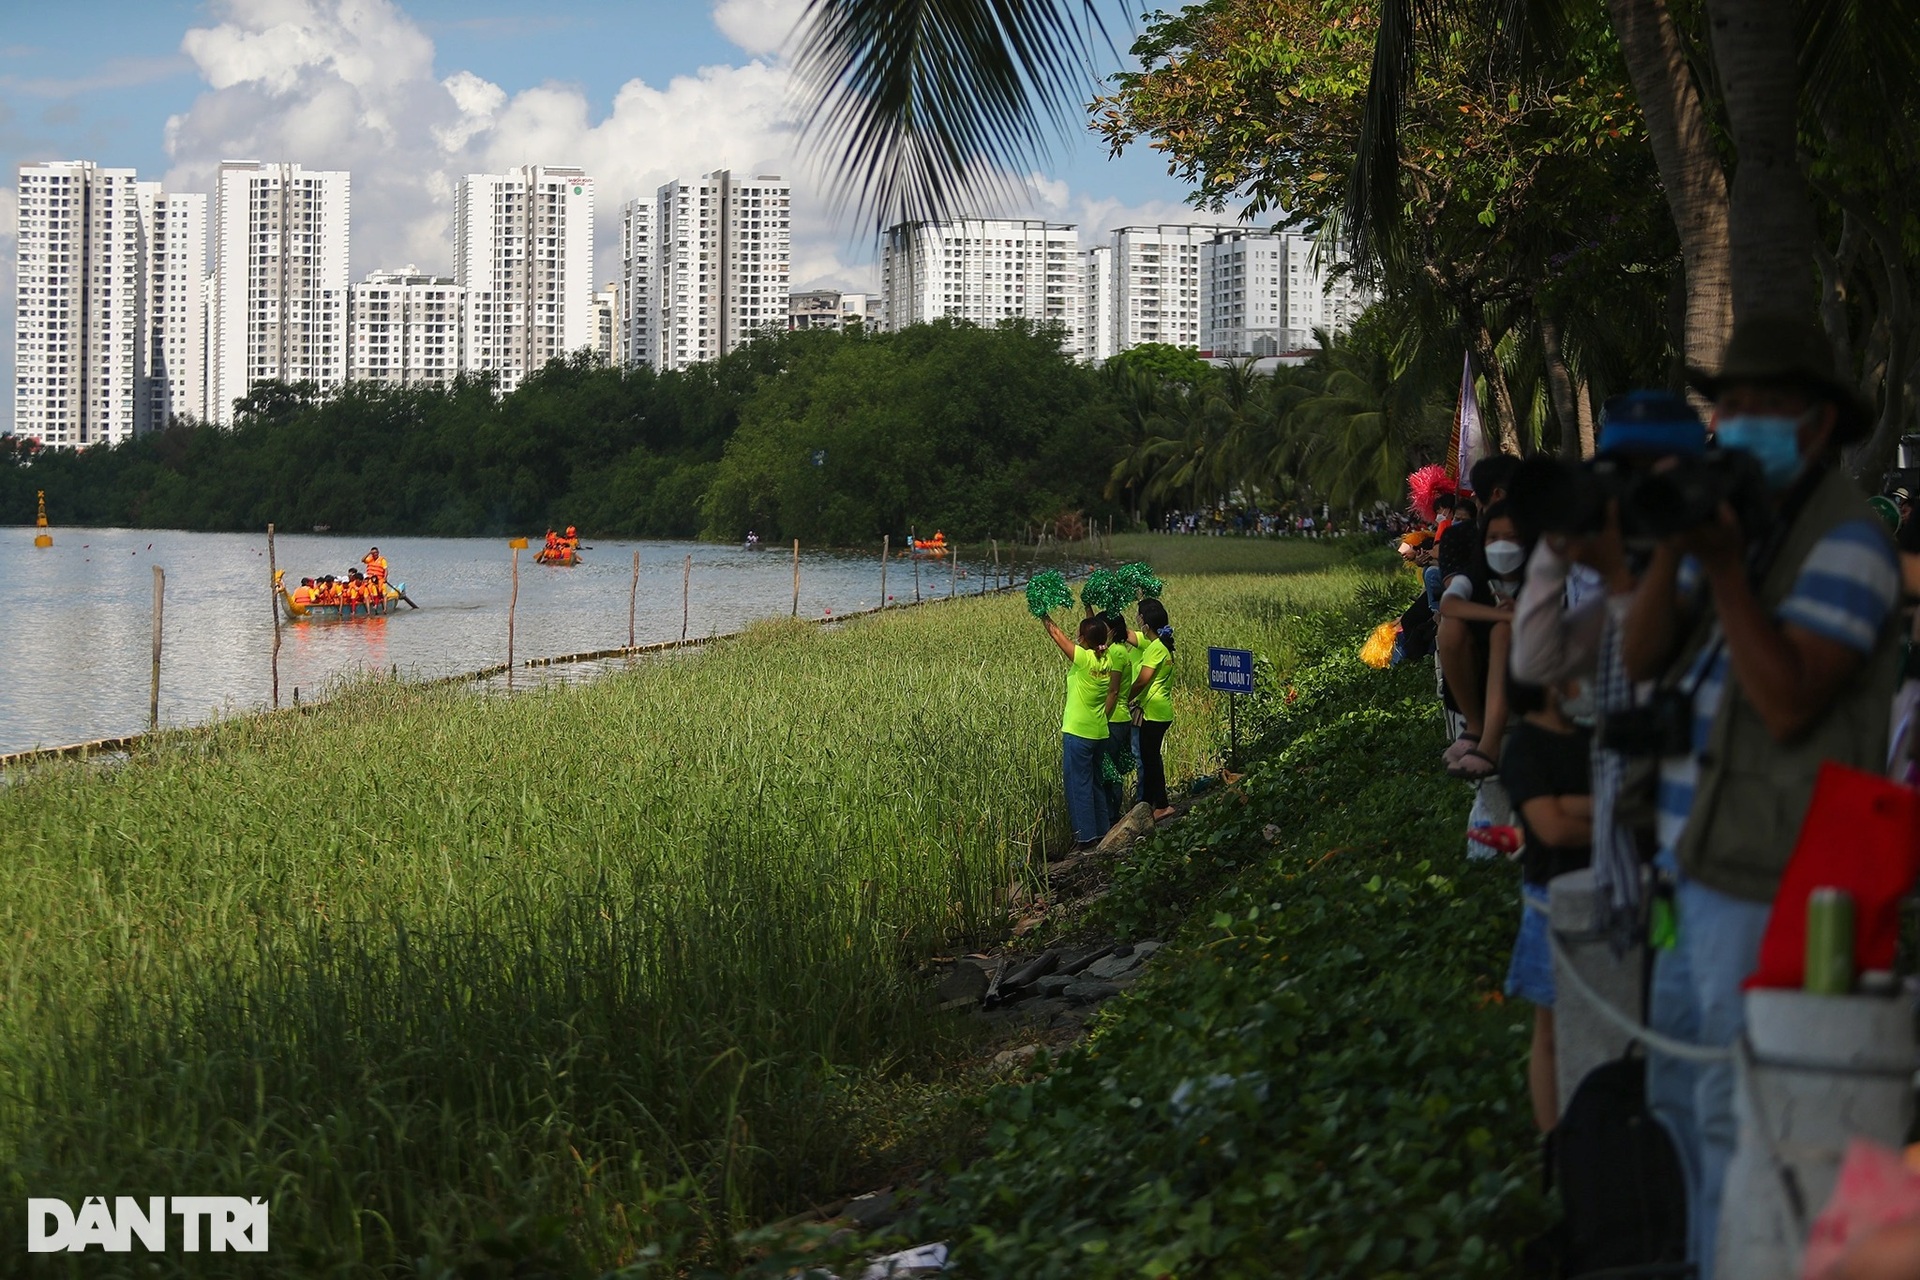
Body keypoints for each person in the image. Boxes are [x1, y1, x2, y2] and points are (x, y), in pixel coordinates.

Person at [1623, 314, 1902, 1276]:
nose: (1736, 422)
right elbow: (1641, 657)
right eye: (1728, 404)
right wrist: (1676, 543)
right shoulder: (1748, 524)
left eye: (1762, 406)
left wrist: (1724, 569)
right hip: (1688, 866)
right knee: (1679, 1096)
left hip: (1768, 879)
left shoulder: (1849, 544)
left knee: (1738, 1114)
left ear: (1817, 424)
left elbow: (1787, 703)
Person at [1497, 677, 1594, 1133]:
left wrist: (1566, 804)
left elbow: (1629, 795)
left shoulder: (1591, 737)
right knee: (1551, 1028)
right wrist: (1603, 812)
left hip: (1601, 889)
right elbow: (1551, 829)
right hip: (1549, 900)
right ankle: (1554, 1134)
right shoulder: (1524, 748)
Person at [1439, 504, 1528, 779]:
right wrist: (1503, 615)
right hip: (1484, 662)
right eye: (1493, 537)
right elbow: (1448, 605)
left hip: (1534, 662)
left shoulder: (1540, 575)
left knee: (1502, 632)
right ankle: (1475, 726)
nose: (1502, 545)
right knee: (1450, 628)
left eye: (1512, 537)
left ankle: (1490, 745)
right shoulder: (1474, 575)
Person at [1041, 613, 1125, 851]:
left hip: (1078, 732)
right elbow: (1097, 633)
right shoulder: (1107, 658)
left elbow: (1057, 636)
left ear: (1083, 639)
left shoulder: (1085, 659)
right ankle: (1102, 831)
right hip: (1099, 732)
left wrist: (1043, 614)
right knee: (1096, 782)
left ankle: (1085, 838)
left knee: (1078, 785)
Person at [1129, 598, 1177, 820]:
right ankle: (1150, 804)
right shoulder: (1159, 645)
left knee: (1150, 761)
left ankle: (1162, 805)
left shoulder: (1155, 648)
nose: (1137, 619)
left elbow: (1142, 681)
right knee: (1150, 759)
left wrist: (1124, 698)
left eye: (1140, 617)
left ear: (1146, 625)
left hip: (1154, 714)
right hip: (1160, 712)